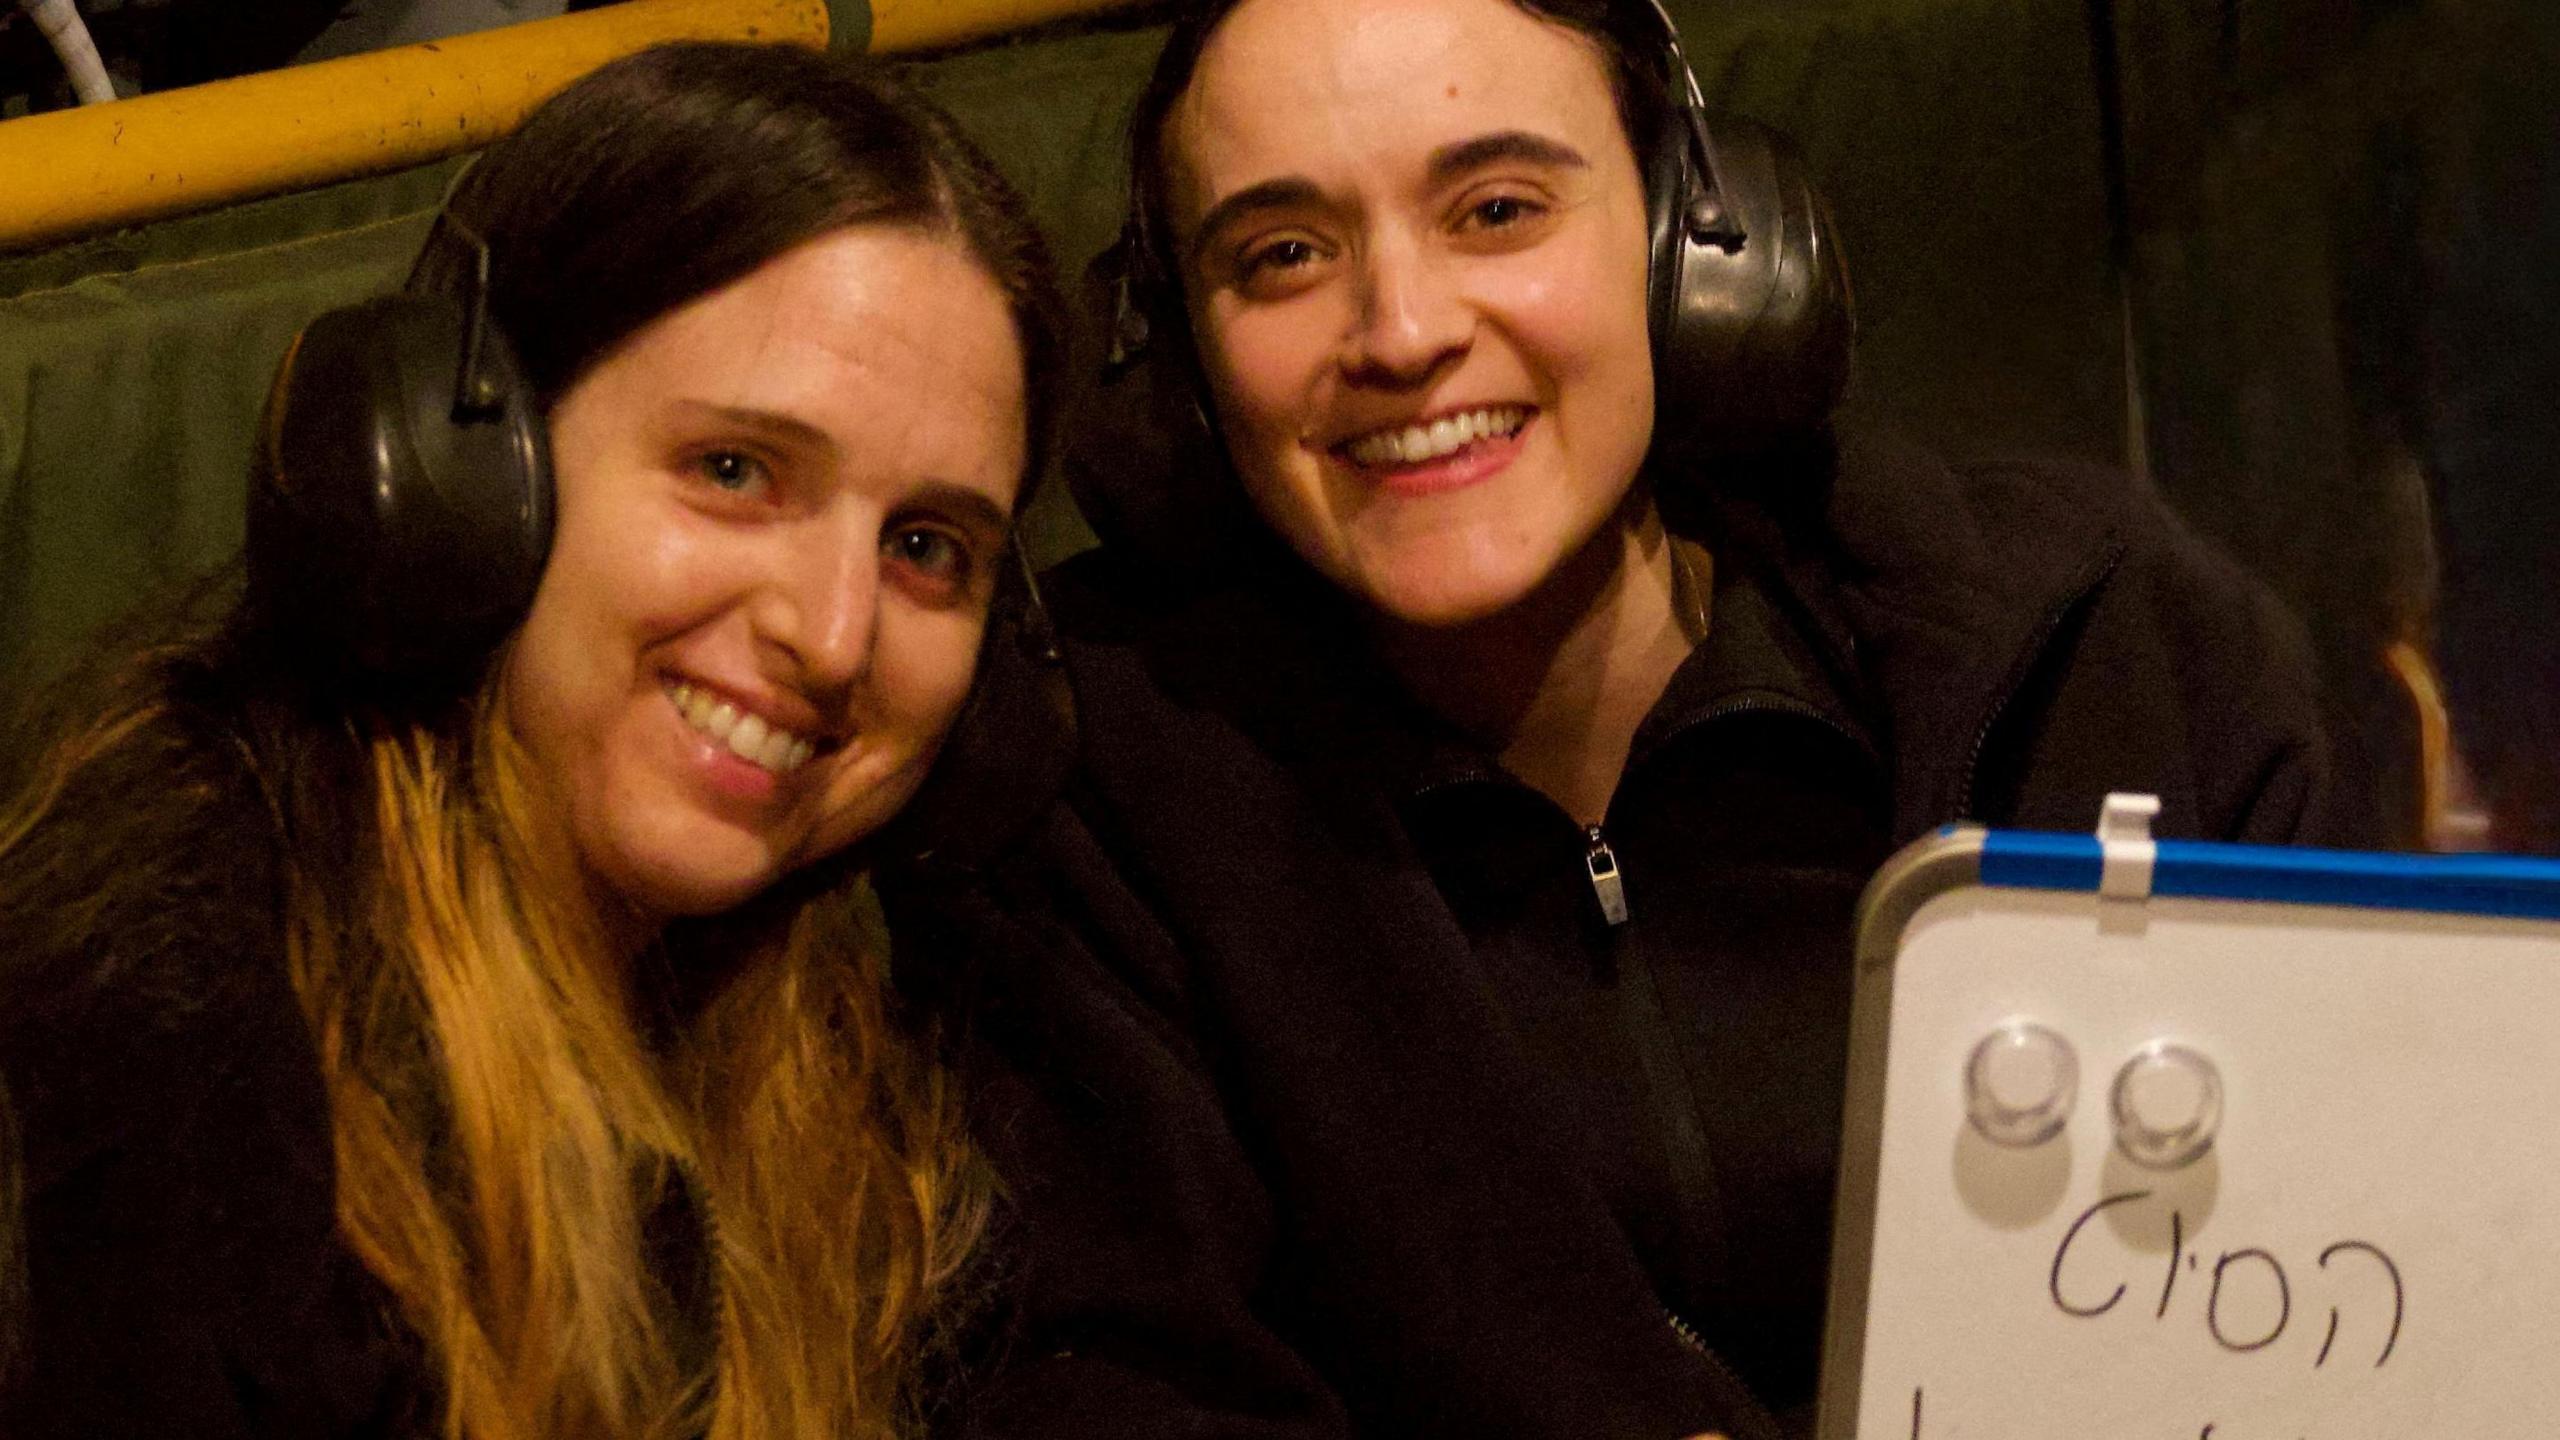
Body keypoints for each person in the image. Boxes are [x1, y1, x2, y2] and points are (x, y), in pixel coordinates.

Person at [879, 1, 2377, 1438]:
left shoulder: (2110, 642)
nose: (1400, 331)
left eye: (1499, 211)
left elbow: (2380, 1263)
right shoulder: (1081, 788)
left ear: (1699, 242)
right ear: (1178, 367)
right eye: (1281, 255)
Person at [0, 41, 1059, 1440]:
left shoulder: (846, 1059)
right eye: (734, 471)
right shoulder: (164, 1048)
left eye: (928, 547)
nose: (837, 634)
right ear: (452, 470)